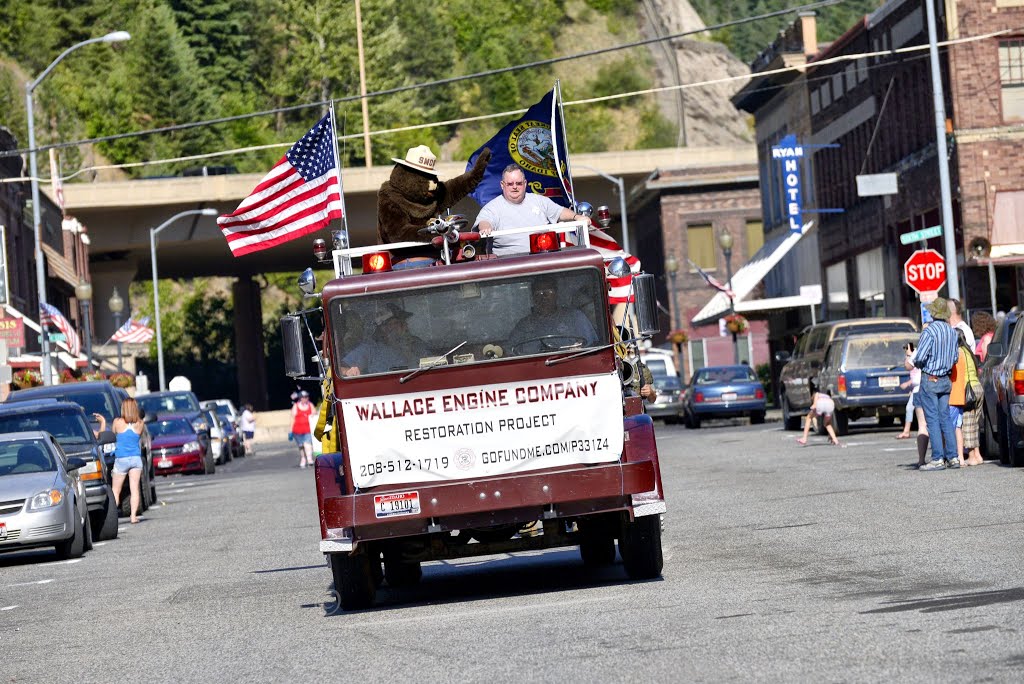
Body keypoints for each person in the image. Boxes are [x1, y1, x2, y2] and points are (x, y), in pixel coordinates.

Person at [474, 165, 589, 256]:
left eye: (518, 183)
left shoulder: (539, 200)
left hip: (543, 257)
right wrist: (485, 227)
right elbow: (484, 221)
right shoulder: (492, 207)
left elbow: (559, 212)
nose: (514, 187)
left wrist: (577, 217)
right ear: (502, 185)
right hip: (507, 264)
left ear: (525, 184)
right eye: (510, 184)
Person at [913, 298, 960, 471]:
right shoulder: (952, 332)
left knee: (932, 419)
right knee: (946, 417)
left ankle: (938, 458)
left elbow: (920, 357)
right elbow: (955, 357)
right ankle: (953, 457)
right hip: (945, 379)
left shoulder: (930, 331)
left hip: (930, 377)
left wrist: (917, 362)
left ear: (933, 313)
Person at [508, 276, 599, 355]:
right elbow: (510, 352)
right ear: (533, 298)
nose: (543, 298)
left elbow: (593, 347)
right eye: (538, 294)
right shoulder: (524, 325)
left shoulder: (575, 317)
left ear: (556, 294)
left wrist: (577, 350)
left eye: (548, 292)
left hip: (570, 364)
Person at [342, 304, 425, 376]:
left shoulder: (416, 343)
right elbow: (340, 368)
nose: (405, 326)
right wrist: (347, 372)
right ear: (384, 327)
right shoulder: (370, 349)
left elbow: (435, 360)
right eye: (398, 323)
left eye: (404, 322)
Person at [111, 398, 145, 523]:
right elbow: (138, 436)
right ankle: (133, 516)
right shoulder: (140, 423)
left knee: (116, 490)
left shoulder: (117, 422)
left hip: (121, 459)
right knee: (134, 489)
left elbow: (113, 434)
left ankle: (113, 518)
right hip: (136, 458)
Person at [796, 381, 840, 446]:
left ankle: (804, 438)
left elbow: (816, 395)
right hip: (830, 404)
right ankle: (835, 439)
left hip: (820, 403)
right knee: (827, 424)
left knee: (809, 417)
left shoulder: (816, 394)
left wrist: (814, 404)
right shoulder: (826, 395)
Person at [896, 343, 921, 441]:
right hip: (916, 389)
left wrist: (907, 384)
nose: (905, 351)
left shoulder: (916, 357)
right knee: (910, 408)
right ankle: (907, 431)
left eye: (907, 349)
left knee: (913, 409)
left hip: (919, 388)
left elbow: (918, 376)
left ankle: (910, 431)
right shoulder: (911, 358)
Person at [292, 391, 315, 468]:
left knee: (307, 444)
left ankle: (309, 459)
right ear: (300, 398)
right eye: (303, 397)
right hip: (297, 430)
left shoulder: (310, 405)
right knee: (301, 446)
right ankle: (303, 458)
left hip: (308, 429)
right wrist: (290, 430)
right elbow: (292, 418)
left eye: (306, 397)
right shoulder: (296, 406)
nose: (305, 399)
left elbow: (314, 413)